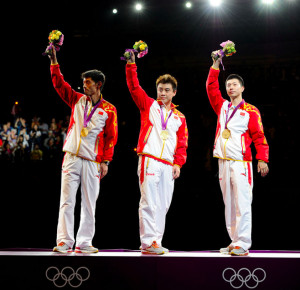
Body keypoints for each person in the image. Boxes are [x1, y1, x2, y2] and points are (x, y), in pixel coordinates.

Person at [48, 45, 118, 254]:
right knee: (66, 201)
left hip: (93, 161)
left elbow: (111, 138)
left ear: (98, 85)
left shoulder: (109, 110)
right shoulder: (77, 100)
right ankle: (64, 242)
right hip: (71, 157)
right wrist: (54, 61)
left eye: (87, 83)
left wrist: (105, 162)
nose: (83, 85)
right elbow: (59, 84)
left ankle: (84, 242)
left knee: (89, 204)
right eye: (83, 82)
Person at [206, 52, 269, 256]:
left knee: (242, 201)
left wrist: (262, 159)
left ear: (242, 88)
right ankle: (234, 240)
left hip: (242, 163)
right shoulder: (222, 106)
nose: (230, 87)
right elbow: (211, 88)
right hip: (223, 161)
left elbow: (259, 136)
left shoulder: (251, 111)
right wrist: (215, 65)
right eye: (228, 85)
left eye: (234, 84)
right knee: (229, 203)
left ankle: (243, 242)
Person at [125, 51, 188, 255]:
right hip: (149, 159)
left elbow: (182, 144)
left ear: (174, 92)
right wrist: (131, 64)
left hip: (168, 165)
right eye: (160, 89)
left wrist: (178, 163)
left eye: (166, 90)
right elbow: (134, 87)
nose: (162, 93)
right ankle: (148, 241)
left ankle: (156, 241)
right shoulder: (149, 105)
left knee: (163, 205)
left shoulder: (180, 117)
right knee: (149, 201)